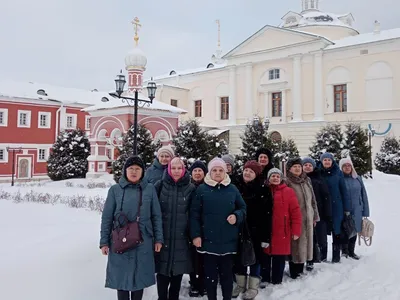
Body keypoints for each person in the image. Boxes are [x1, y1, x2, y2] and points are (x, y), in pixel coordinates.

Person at [100, 156, 163, 300]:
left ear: (142, 172)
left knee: (139, 278)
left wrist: (158, 239)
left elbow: (156, 216)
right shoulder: (115, 190)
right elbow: (107, 218)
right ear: (125, 171)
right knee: (121, 278)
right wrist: (104, 241)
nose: (134, 172)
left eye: (137, 169)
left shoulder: (149, 189)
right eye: (131, 168)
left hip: (143, 240)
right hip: (119, 239)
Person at [190, 157, 246, 300]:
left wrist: (236, 216)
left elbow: (243, 208)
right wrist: (196, 235)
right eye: (214, 170)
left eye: (221, 170)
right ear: (209, 172)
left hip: (228, 242)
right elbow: (194, 214)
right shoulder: (202, 189)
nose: (217, 173)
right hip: (208, 242)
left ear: (225, 171)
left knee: (227, 278)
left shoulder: (232, 189)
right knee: (210, 278)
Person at [154, 157, 196, 300]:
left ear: (184, 169)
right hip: (163, 236)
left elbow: (194, 213)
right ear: (169, 169)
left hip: (181, 237)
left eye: (179, 168)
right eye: (173, 168)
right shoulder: (160, 185)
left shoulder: (190, 188)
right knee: (162, 272)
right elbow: (152, 211)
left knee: (177, 272)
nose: (176, 171)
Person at [233, 160, 272, 300]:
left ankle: (253, 287)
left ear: (256, 174)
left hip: (256, 230)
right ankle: (240, 284)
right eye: (246, 170)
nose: (247, 173)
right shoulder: (235, 186)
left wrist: (266, 237)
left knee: (255, 258)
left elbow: (268, 214)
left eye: (251, 171)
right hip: (238, 228)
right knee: (239, 258)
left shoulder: (263, 189)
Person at [261, 168, 302, 285]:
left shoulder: (288, 191)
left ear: (281, 178)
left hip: (282, 231)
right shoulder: (264, 190)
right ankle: (265, 278)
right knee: (265, 256)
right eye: (272, 176)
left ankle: (277, 279)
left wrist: (296, 230)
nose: (275, 178)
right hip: (267, 230)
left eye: (277, 176)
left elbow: (295, 212)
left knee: (279, 257)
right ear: (268, 178)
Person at [285, 158, 320, 279]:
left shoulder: (307, 180)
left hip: (308, 218)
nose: (297, 169)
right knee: (295, 244)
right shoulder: (287, 182)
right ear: (289, 169)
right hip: (295, 218)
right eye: (294, 166)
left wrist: (315, 216)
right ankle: (294, 270)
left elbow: (313, 200)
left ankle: (302, 266)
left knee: (306, 242)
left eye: (299, 166)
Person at [319, 152, 351, 263]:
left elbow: (344, 192)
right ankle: (322, 257)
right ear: (321, 161)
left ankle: (336, 257)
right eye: (325, 160)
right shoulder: (318, 173)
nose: (327, 162)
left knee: (336, 231)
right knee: (322, 232)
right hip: (322, 207)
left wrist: (347, 209)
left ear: (332, 161)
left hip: (337, 207)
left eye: (329, 160)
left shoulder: (338, 173)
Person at [339, 157, 370, 260]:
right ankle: (344, 252)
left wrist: (365, 210)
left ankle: (352, 251)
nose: (347, 168)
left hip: (357, 209)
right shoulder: (339, 179)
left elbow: (363, 194)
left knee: (355, 230)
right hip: (344, 210)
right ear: (341, 167)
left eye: (349, 165)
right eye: (345, 166)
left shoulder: (357, 178)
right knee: (345, 231)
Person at [302, 157, 332, 263]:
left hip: (319, 212)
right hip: (304, 214)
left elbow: (326, 196)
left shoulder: (319, 179)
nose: (307, 167)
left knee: (320, 236)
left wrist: (327, 212)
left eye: (310, 165)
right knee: (308, 237)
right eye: (305, 165)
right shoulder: (300, 179)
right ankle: (310, 258)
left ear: (313, 167)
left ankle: (322, 256)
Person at [188, 160, 208, 297]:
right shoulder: (188, 187)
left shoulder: (208, 186)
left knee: (204, 257)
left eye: (200, 170)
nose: (197, 173)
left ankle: (203, 283)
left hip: (206, 226)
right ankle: (194, 283)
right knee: (192, 257)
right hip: (190, 225)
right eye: (195, 170)